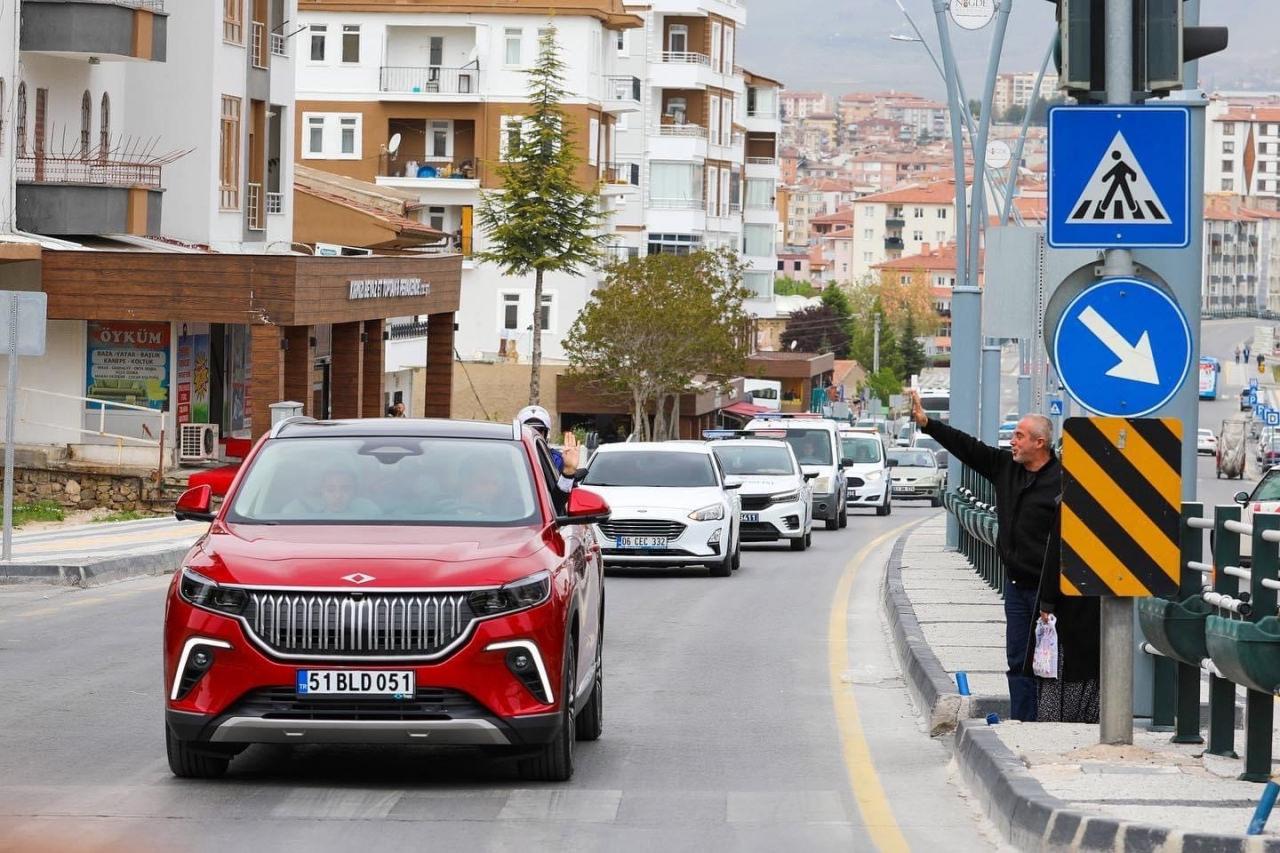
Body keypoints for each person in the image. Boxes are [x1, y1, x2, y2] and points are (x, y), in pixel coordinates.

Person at [907, 390, 1064, 722]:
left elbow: (1065, 544)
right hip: (1017, 585)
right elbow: (968, 448)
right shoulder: (1006, 468)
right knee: (1018, 658)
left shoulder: (1061, 482)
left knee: (1051, 661)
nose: (1013, 441)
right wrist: (927, 424)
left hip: (1052, 592)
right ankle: (1024, 723)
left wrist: (1050, 602)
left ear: (1039, 443)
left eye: (1019, 436)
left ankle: (1052, 719)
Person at [516, 405, 579, 496]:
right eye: (528, 430)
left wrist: (569, 472)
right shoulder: (509, 459)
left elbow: (560, 500)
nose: (533, 434)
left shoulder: (557, 459)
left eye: (539, 430)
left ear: (546, 434)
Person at [283, 465, 379, 519]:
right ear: (321, 490)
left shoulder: (369, 511)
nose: (338, 496)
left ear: (354, 491)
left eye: (345, 489)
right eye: (330, 490)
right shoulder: (298, 510)